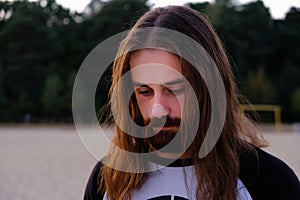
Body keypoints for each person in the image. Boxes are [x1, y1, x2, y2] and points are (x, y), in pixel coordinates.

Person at [84, 6, 300, 200]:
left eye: (174, 89)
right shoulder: (109, 179)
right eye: (145, 91)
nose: (158, 109)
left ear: (209, 87)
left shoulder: (269, 181)